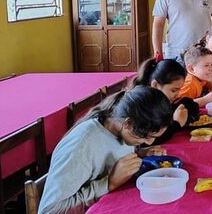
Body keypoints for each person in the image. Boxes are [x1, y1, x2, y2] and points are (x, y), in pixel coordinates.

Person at [38, 86, 173, 214]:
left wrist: (140, 153)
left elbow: (110, 153)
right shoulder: (82, 145)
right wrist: (109, 184)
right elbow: (50, 210)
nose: (150, 142)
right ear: (128, 124)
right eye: (148, 137)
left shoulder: (120, 128)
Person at [132, 58, 200, 144]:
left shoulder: (159, 100)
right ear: (155, 85)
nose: (178, 95)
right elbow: (148, 141)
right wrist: (177, 124)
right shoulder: (142, 104)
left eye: (179, 90)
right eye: (174, 90)